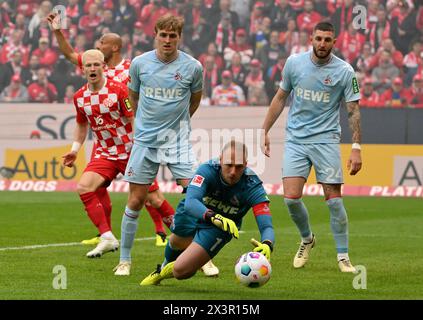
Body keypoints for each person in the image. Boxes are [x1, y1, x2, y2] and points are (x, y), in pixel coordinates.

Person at [47, 13, 175, 248]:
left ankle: (162, 230)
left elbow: (144, 97)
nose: (97, 46)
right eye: (89, 63)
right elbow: (68, 54)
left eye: (102, 43)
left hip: (130, 136)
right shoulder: (91, 67)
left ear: (113, 48)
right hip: (105, 142)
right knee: (93, 186)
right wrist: (57, 31)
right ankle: (105, 234)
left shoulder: (130, 68)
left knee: (147, 193)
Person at [113, 14, 219, 277]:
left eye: (173, 36)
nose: (168, 40)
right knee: (136, 200)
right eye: (164, 35)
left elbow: (194, 101)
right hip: (146, 142)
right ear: (155, 35)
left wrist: (177, 124)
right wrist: (147, 126)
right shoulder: (140, 64)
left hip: (178, 141)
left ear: (179, 38)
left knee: (195, 197)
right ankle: (125, 260)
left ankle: (201, 257)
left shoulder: (193, 67)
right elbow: (133, 96)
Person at [261, 22, 362, 273]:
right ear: (311, 38)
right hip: (296, 140)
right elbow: (280, 97)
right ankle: (307, 239)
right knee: (291, 199)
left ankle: (343, 256)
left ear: (334, 42)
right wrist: (264, 130)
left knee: (334, 202)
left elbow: (353, 111)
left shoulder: (345, 71)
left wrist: (357, 146)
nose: (322, 44)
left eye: (327, 40)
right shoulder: (294, 63)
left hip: (326, 140)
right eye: (318, 39)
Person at [140, 140, 275, 286]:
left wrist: (267, 244)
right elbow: (191, 202)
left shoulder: (253, 186)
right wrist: (213, 216)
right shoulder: (207, 170)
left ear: (246, 164)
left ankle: (164, 272)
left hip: (220, 227)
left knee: (181, 271)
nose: (233, 172)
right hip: (195, 212)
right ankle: (162, 267)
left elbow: (266, 226)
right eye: (229, 165)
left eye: (239, 167)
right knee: (175, 242)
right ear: (220, 159)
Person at [62, 49, 132, 258]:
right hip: (106, 153)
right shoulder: (80, 97)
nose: (92, 69)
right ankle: (107, 237)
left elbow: (134, 119)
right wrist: (75, 150)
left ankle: (192, 246)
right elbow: (82, 126)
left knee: (153, 199)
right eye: (88, 66)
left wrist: (139, 146)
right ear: (82, 69)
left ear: (104, 67)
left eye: (96, 65)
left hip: (130, 150)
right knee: (84, 187)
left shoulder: (119, 90)